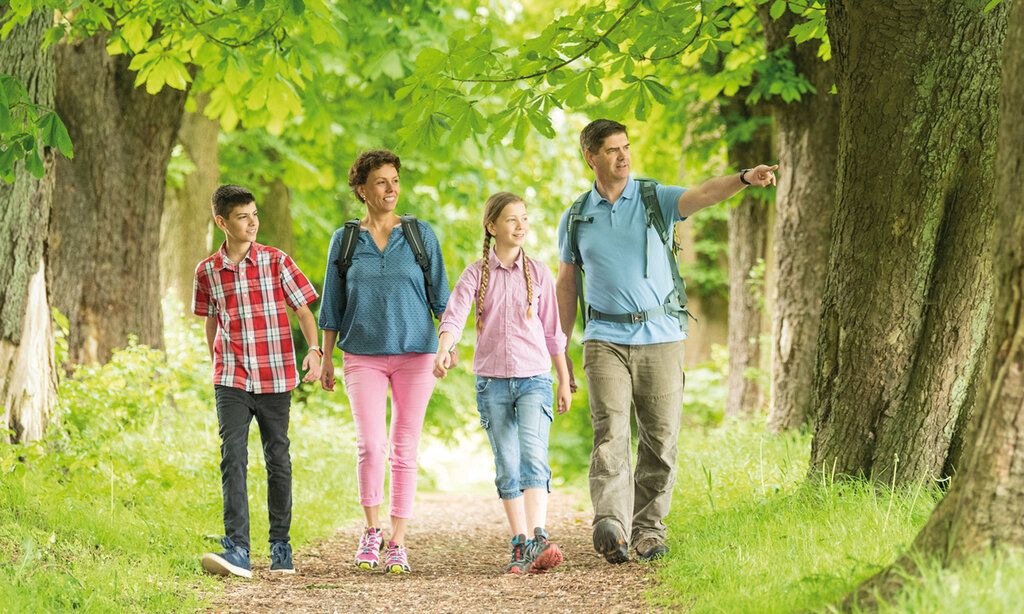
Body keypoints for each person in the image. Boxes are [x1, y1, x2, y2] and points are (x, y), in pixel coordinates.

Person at [555, 119, 777, 563]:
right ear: (590, 157)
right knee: (610, 431)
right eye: (612, 149)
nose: (623, 155)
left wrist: (744, 178)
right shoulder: (577, 216)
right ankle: (611, 525)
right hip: (604, 339)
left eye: (626, 147)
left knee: (659, 439)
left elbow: (705, 193)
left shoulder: (654, 198)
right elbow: (566, 283)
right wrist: (560, 346)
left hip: (661, 336)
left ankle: (649, 531)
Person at [318, 149, 450, 574]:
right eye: (381, 182)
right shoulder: (345, 240)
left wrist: (447, 346)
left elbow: (442, 300)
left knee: (404, 448)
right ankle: (371, 531)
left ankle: (398, 541)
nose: (391, 189)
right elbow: (332, 305)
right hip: (362, 354)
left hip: (417, 354)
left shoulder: (419, 235)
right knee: (371, 445)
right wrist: (325, 357)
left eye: (395, 180)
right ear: (362, 190)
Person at [434, 192, 572, 574]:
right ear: (492, 226)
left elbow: (553, 332)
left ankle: (539, 535)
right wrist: (444, 348)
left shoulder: (539, 273)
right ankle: (521, 543)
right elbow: (454, 315)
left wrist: (563, 379)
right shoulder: (475, 274)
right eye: (512, 219)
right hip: (491, 382)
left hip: (534, 379)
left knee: (533, 455)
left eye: (524, 218)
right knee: (507, 464)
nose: (520, 225)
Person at [193, 184, 322, 578]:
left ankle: (281, 546)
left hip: (275, 374)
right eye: (242, 217)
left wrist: (314, 350)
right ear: (222, 222)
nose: (252, 223)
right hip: (231, 377)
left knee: (277, 458)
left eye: (254, 215)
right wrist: (215, 360)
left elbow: (303, 310)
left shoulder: (276, 261)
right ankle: (238, 549)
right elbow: (211, 320)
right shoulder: (207, 271)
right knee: (232, 456)